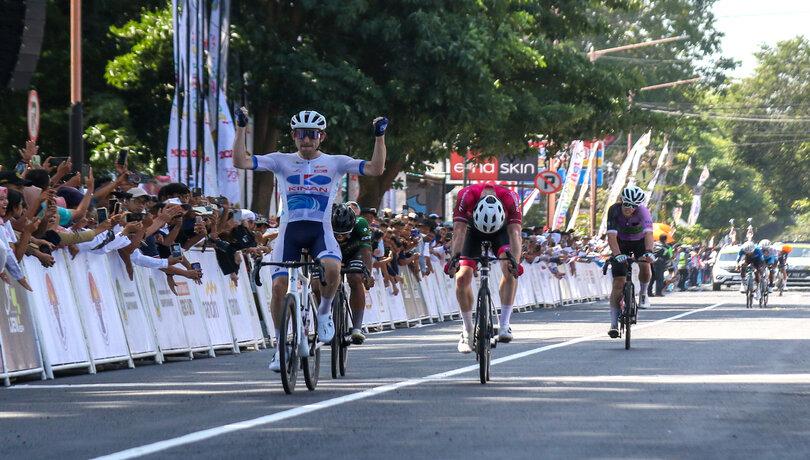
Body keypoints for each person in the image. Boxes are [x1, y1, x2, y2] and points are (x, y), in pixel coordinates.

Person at [232, 107, 388, 373]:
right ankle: (280, 346)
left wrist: (379, 137)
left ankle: (325, 312)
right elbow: (241, 162)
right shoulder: (281, 160)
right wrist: (240, 129)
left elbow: (375, 168)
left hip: (320, 230)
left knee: (332, 268)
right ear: (294, 136)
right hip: (289, 231)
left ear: (322, 137)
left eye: (312, 135)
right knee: (280, 287)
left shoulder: (335, 162)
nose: (307, 139)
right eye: (302, 134)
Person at [445, 182, 522, 353]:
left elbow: (515, 233)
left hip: (500, 231)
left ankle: (504, 324)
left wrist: (515, 264)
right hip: (472, 230)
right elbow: (458, 231)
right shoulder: (466, 195)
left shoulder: (510, 197)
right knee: (462, 277)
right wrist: (454, 260)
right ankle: (467, 330)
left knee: (509, 269)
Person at [605, 185, 654, 339]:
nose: (629, 208)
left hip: (639, 242)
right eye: (626, 204)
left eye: (633, 206)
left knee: (645, 266)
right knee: (618, 283)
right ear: (622, 201)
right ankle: (613, 324)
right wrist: (617, 254)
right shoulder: (614, 210)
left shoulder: (643, 212)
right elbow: (611, 237)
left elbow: (649, 235)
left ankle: (644, 293)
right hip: (621, 243)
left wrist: (649, 252)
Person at [329, 203, 374, 344]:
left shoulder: (361, 223)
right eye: (337, 233)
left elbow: (367, 251)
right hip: (331, 252)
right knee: (320, 281)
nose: (341, 236)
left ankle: (357, 328)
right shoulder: (325, 223)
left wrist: (367, 274)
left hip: (354, 253)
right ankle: (325, 323)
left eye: (345, 233)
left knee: (355, 278)